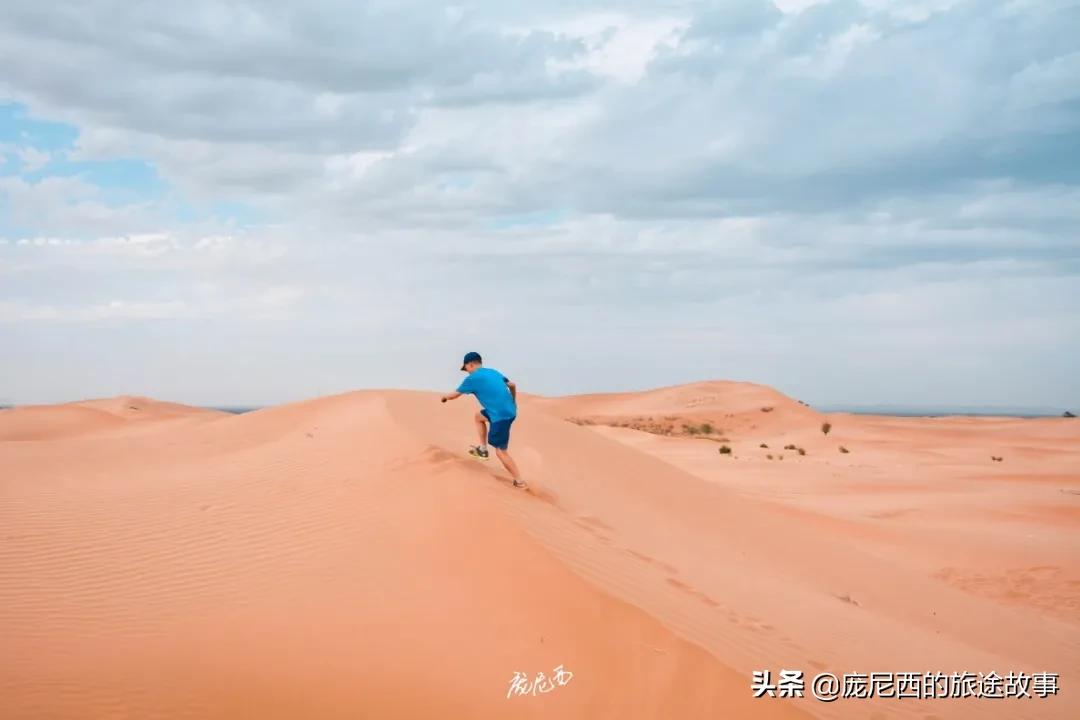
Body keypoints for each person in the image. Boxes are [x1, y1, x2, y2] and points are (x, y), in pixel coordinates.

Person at [441, 351, 526, 488]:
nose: (467, 372)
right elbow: (512, 385)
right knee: (479, 417)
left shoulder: (473, 378)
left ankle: (520, 481)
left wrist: (444, 397)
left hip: (500, 416)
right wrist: (513, 401)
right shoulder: (493, 372)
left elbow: (454, 395)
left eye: (466, 368)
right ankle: (483, 449)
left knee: (500, 451)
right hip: (509, 411)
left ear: (471, 364)